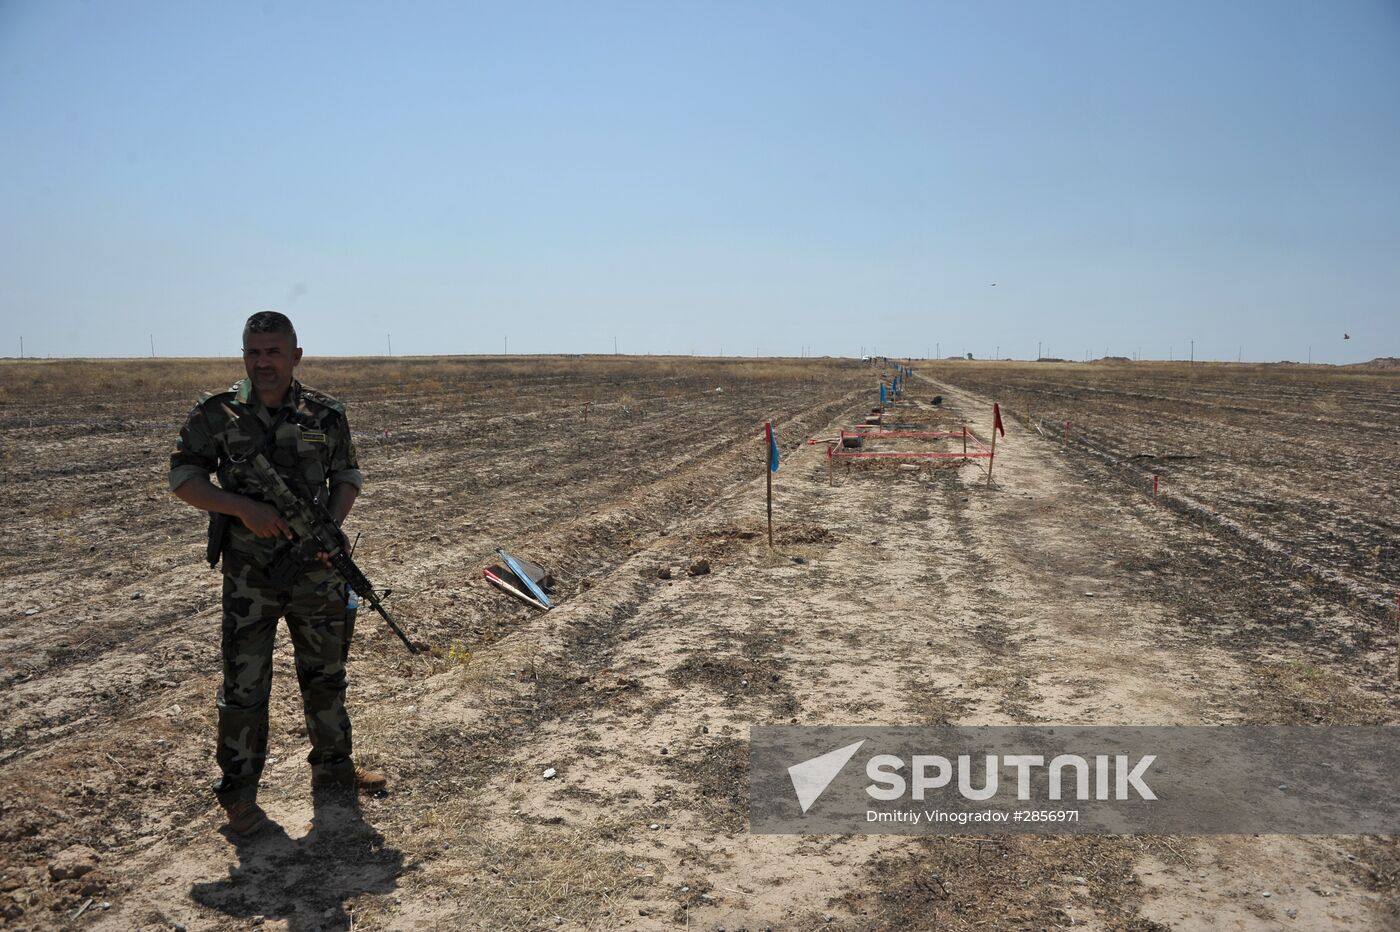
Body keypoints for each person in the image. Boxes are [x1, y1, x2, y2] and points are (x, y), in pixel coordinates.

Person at [170, 311, 385, 835]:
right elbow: (183, 477)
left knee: (326, 677)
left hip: (316, 572)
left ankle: (335, 772)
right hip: (250, 577)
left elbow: (348, 474)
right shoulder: (216, 414)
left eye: (272, 351)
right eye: (252, 351)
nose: (262, 361)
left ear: (296, 355)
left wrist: (327, 529)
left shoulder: (326, 415)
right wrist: (241, 508)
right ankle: (239, 796)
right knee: (244, 687)